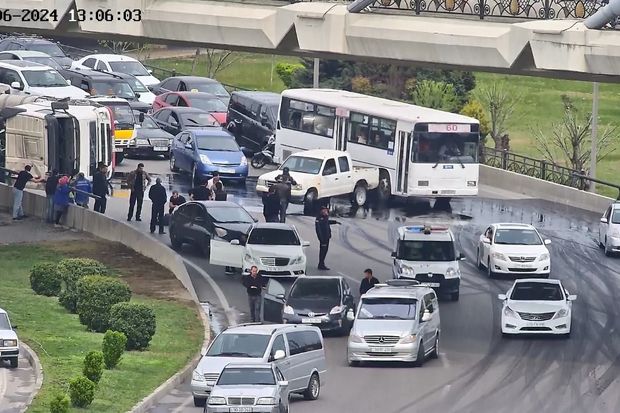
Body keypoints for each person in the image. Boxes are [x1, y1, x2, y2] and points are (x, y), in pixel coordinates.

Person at [315, 206, 341, 270]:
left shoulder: (325, 217)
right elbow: (318, 230)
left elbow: (327, 222)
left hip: (327, 237)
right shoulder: (319, 218)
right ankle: (321, 264)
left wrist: (335, 222)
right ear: (321, 211)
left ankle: (322, 263)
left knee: (325, 251)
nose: (326, 212)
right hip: (323, 238)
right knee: (322, 251)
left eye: (326, 211)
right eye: (324, 211)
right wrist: (321, 239)